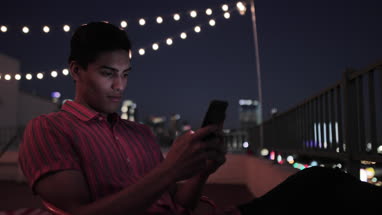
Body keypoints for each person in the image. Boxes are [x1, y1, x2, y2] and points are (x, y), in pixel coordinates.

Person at [18, 22, 381, 215]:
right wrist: (171, 169)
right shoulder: (49, 129)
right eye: (108, 73)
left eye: (126, 74)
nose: (119, 86)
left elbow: (181, 202)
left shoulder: (140, 134)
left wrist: (202, 168)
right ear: (76, 71)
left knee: (321, 181)